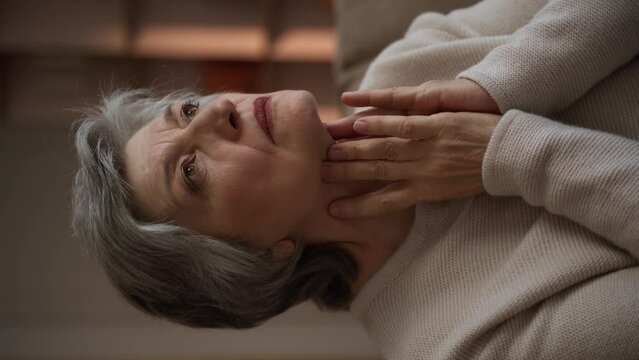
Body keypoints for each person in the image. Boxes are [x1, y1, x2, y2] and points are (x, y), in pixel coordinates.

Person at [71, 0, 639, 358]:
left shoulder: (402, 68)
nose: (220, 112)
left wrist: (500, 89)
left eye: (189, 111)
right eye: (191, 173)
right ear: (258, 258)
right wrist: (507, 153)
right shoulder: (466, 343)